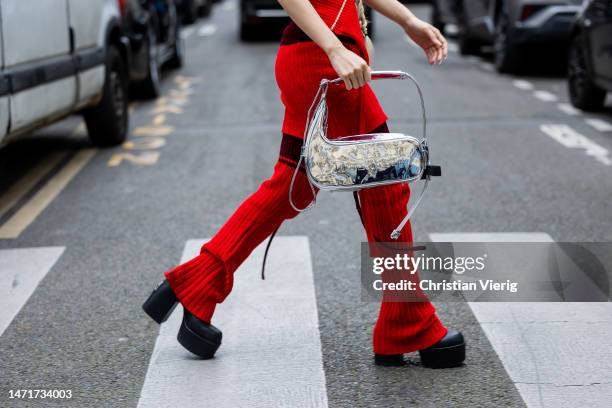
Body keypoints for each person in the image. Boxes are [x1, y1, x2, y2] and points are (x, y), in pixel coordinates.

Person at [143, 0, 465, 368]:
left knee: (294, 187)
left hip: (317, 56)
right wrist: (334, 48)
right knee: (387, 181)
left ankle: (198, 281)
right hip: (324, 57)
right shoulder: (329, 48)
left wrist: (407, 21)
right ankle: (408, 323)